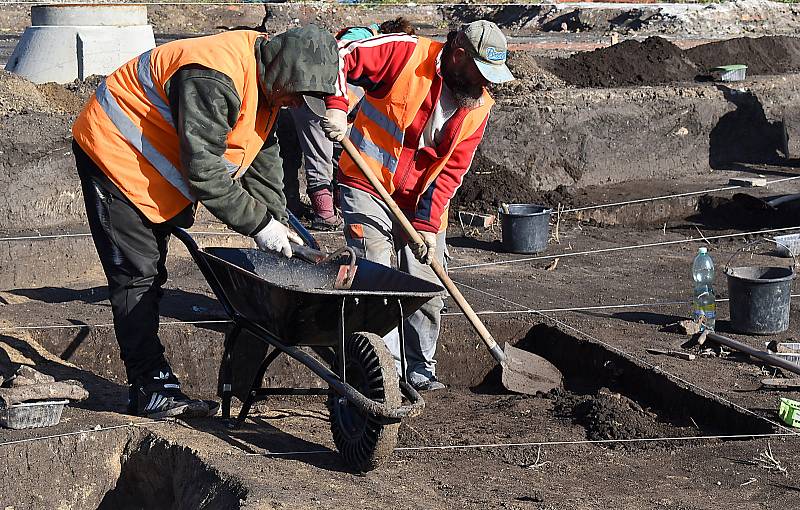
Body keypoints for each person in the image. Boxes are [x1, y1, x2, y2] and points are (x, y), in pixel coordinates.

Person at [71, 25, 339, 418]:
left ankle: (153, 380)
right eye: (298, 95)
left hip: (155, 163)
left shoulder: (264, 79)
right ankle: (150, 388)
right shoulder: (213, 75)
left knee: (150, 268)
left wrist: (278, 219)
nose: (298, 105)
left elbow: (261, 155)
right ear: (283, 73)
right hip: (115, 150)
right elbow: (204, 171)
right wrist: (260, 226)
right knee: (138, 273)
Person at [320, 20, 515, 390]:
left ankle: (421, 370)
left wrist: (426, 227)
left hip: (420, 201)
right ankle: (386, 374)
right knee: (377, 274)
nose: (485, 84)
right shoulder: (406, 55)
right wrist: (336, 106)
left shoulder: (478, 107)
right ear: (458, 56)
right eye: (481, 73)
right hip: (367, 180)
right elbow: (339, 55)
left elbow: (450, 174)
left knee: (428, 282)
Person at [290, 18, 415, 231]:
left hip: (338, 108)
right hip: (315, 100)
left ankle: (341, 206)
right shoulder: (360, 38)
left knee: (343, 155)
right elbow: (336, 61)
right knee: (319, 156)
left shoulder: (375, 48)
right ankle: (325, 215)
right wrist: (336, 107)